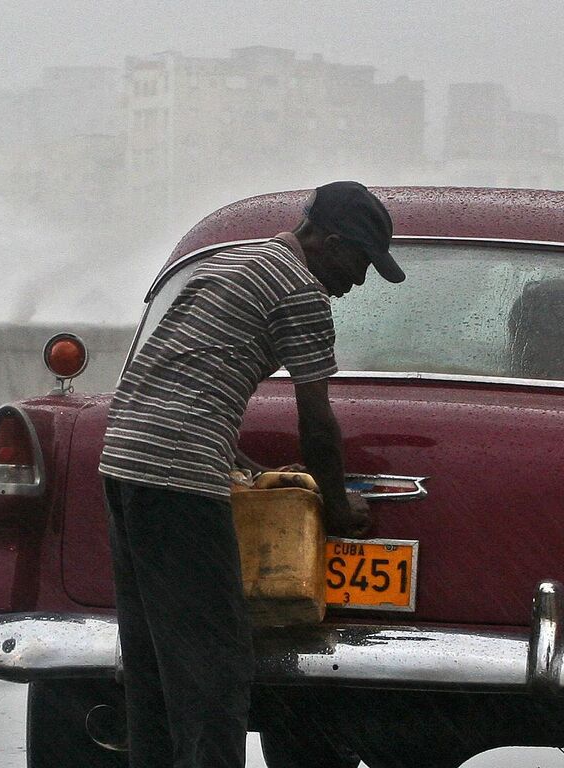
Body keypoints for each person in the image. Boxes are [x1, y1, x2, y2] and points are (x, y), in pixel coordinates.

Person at [97, 181, 406, 767]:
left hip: (124, 462)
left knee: (152, 665)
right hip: (179, 481)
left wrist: (241, 462)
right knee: (214, 669)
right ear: (328, 241)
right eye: (360, 262)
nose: (359, 280)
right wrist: (338, 506)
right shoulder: (302, 291)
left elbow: (173, 373)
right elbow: (316, 421)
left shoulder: (233, 261)